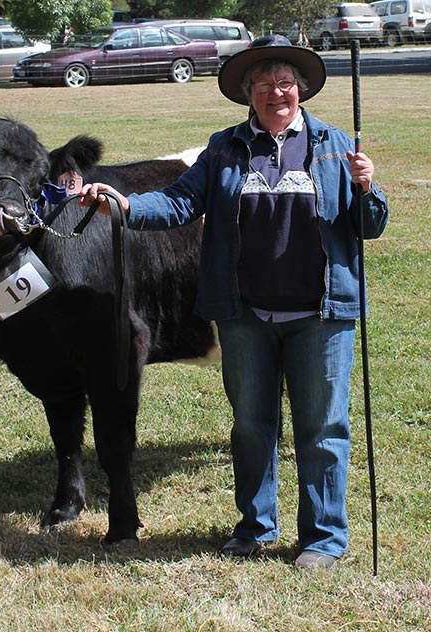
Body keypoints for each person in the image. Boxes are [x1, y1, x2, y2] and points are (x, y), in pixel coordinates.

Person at [80, 35, 389, 568]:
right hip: (245, 315)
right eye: (264, 84)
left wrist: (367, 190)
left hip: (321, 316)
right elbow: (180, 201)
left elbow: (368, 226)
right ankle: (255, 525)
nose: (277, 92)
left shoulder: (336, 145)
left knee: (322, 429)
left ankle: (322, 538)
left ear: (303, 89)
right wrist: (128, 205)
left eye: (286, 82)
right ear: (248, 92)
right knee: (251, 425)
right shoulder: (223, 149)